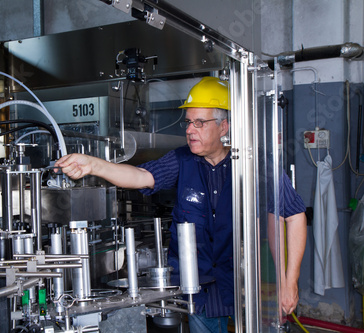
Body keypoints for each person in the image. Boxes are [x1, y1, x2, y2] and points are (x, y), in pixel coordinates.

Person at [54, 77, 307, 333]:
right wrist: (93, 165)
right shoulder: (181, 160)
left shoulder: (254, 164)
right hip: (198, 285)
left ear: (224, 126)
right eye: (188, 122)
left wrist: (289, 281)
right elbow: (141, 176)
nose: (189, 130)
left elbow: (294, 215)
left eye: (199, 123)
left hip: (248, 284)